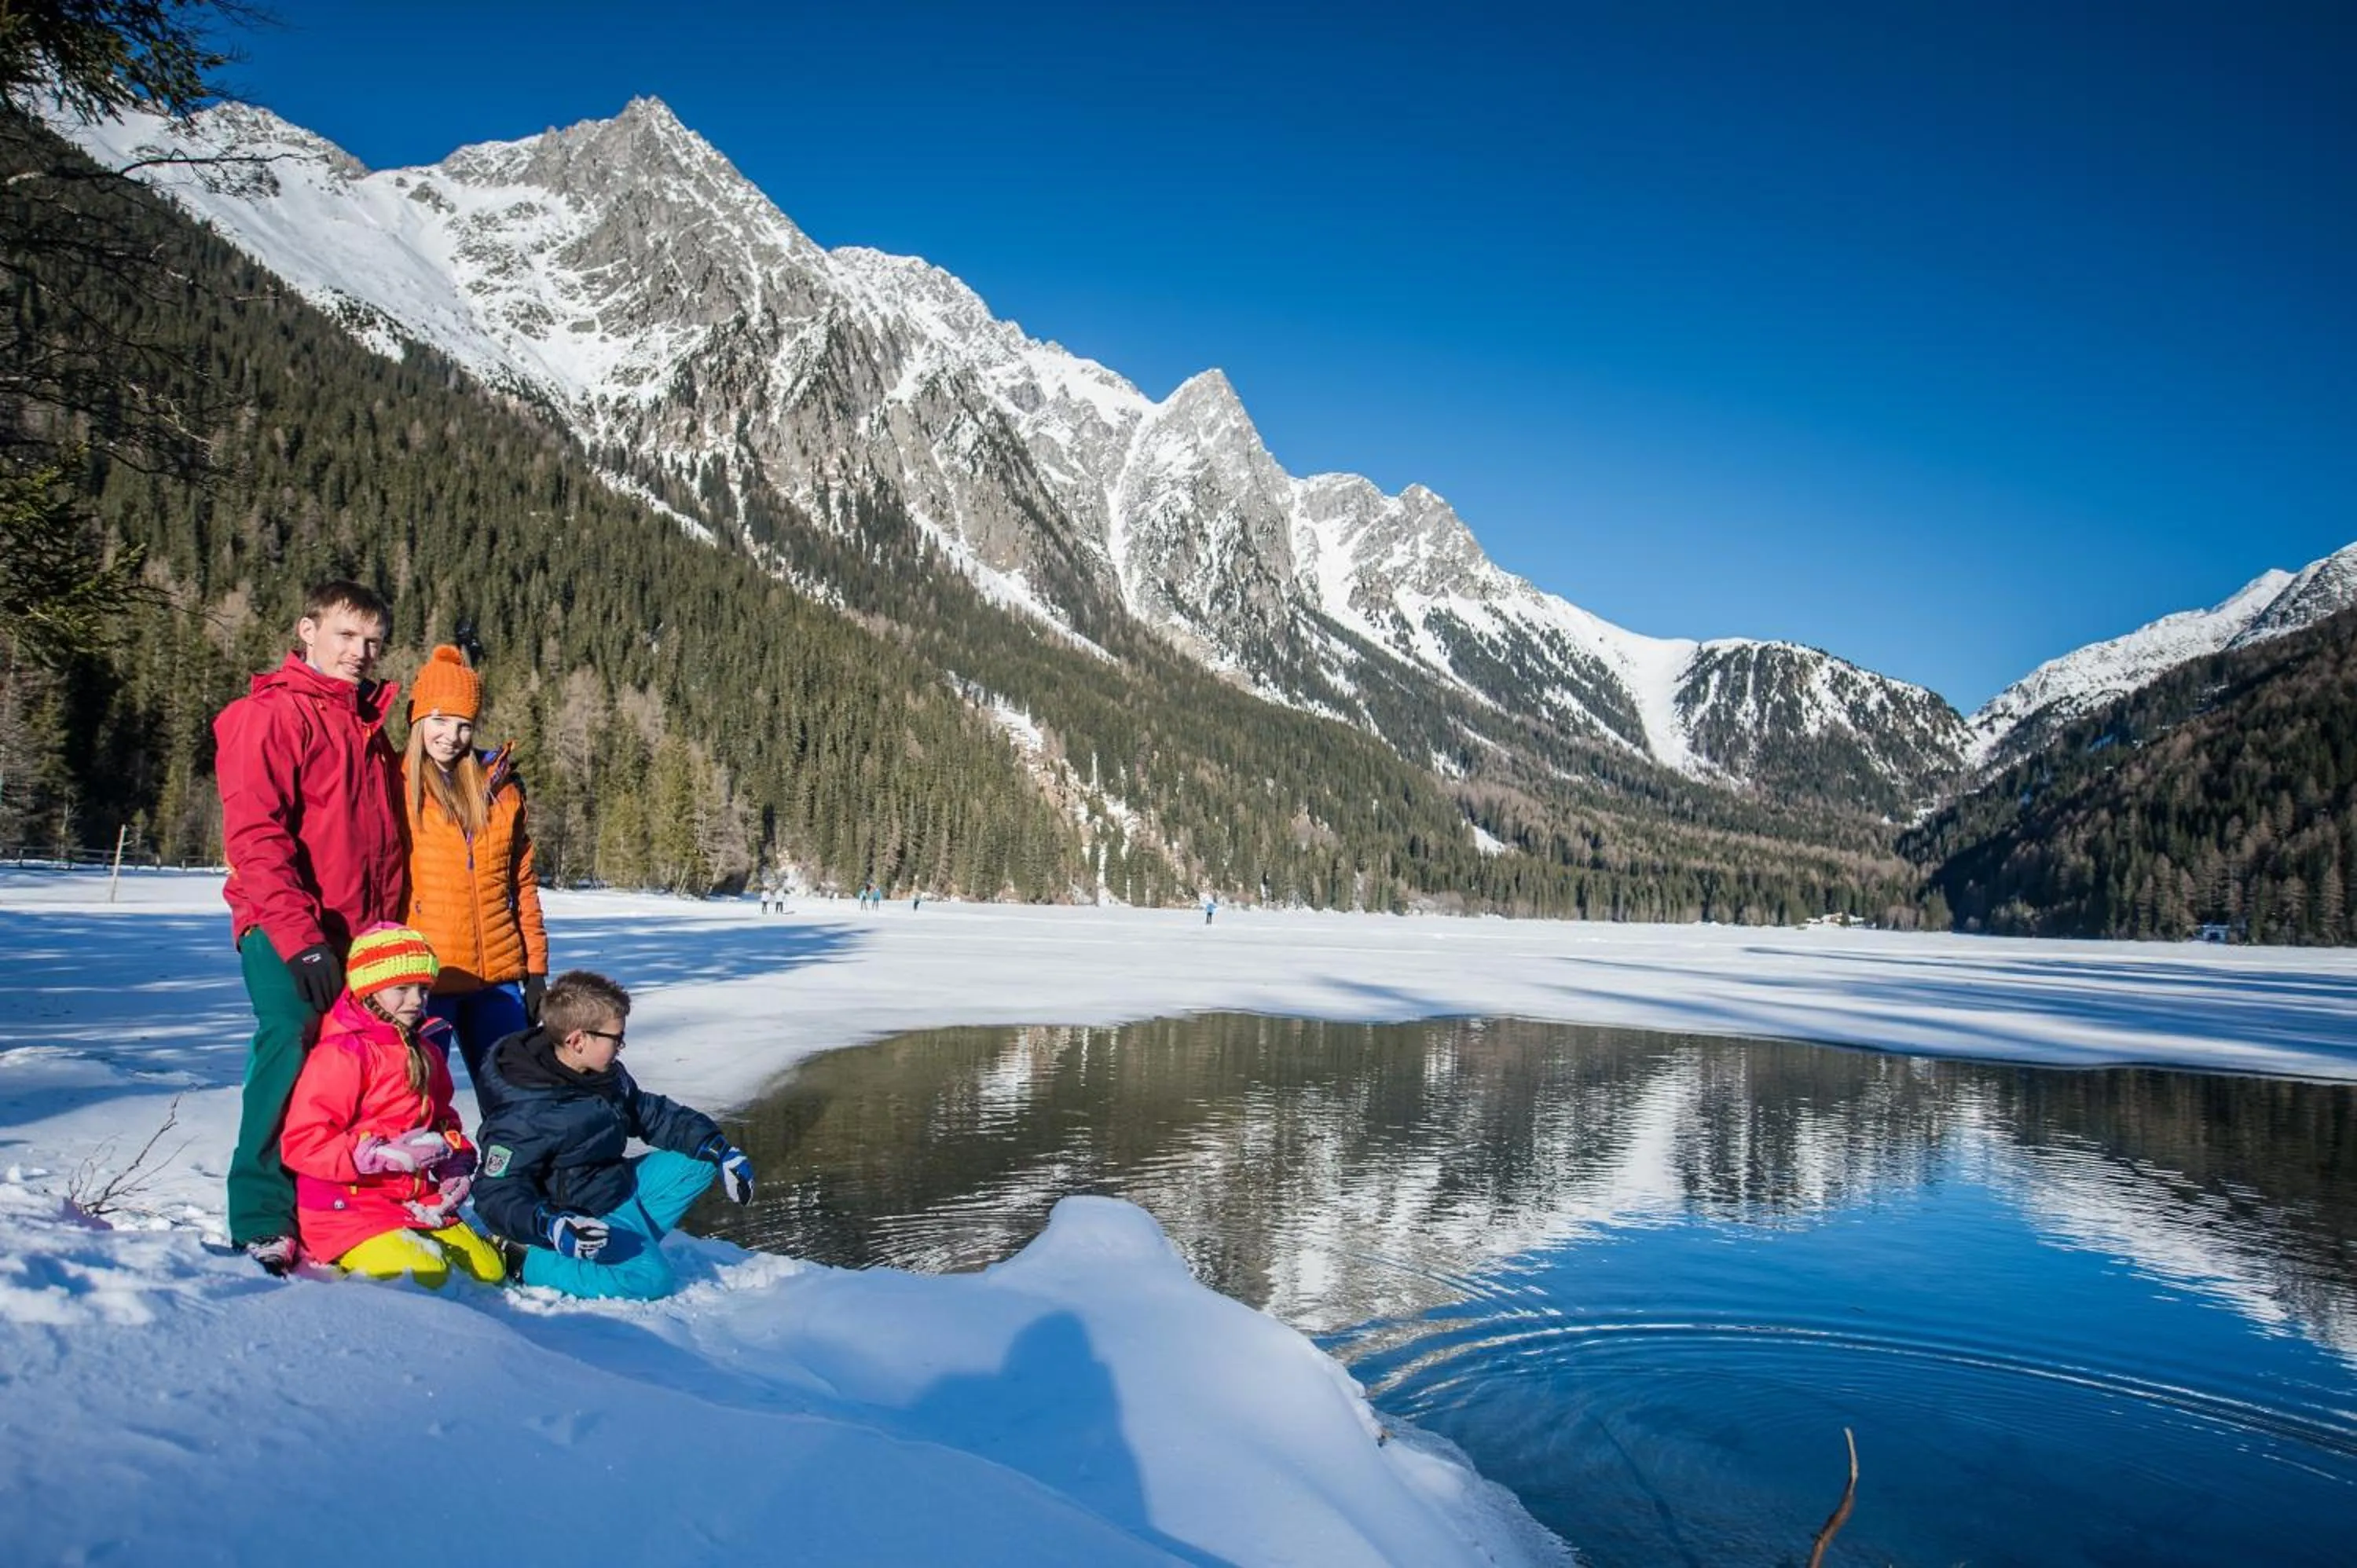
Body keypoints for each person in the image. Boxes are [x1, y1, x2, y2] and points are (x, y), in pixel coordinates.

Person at [214, 579, 409, 1276]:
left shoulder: (367, 729)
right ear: (308, 631)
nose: (361, 652)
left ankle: (328, 1203)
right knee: (287, 1049)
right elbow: (257, 838)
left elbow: (384, 847)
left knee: (345, 1072)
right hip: (285, 927)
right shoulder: (268, 716)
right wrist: (299, 939)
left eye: (373, 642)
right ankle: (262, 1215)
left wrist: (387, 938)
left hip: (358, 934)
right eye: (347, 636)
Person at [471, 970, 757, 1300]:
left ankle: (626, 1239)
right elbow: (495, 1190)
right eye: (616, 1038)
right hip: (572, 1213)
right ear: (578, 1040)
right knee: (652, 1281)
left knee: (701, 1160)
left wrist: (720, 1149)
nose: (621, 1045)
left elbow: (647, 1112)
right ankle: (525, 1259)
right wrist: (549, 1225)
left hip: (611, 1185)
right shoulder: (525, 1107)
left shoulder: (601, 1072)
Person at [278, 924, 504, 1288]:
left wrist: (455, 1162)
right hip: (344, 1206)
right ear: (369, 989)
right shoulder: (344, 1053)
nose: (416, 1000)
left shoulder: (426, 1050)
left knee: (489, 1271)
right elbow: (302, 1142)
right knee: (423, 1273)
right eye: (402, 989)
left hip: (412, 1199)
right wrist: (376, 1156)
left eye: (423, 989)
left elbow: (444, 1120)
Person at [399, 643, 548, 1090]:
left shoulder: (501, 791)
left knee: (516, 1107)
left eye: (464, 725)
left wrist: (537, 972)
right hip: (424, 982)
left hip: (498, 980)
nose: (452, 736)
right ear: (418, 719)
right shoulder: (395, 788)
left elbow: (521, 884)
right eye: (440, 720)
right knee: (417, 1105)